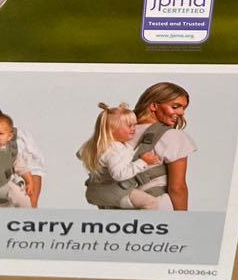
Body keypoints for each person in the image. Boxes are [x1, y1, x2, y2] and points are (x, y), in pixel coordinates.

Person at [77, 102, 162, 210]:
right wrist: (143, 161)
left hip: (95, 192)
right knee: (151, 203)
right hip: (115, 192)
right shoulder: (114, 149)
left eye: (134, 125)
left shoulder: (96, 145)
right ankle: (139, 222)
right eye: (129, 126)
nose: (133, 129)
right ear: (111, 129)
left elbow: (79, 154)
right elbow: (119, 174)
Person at [130, 82, 196, 211]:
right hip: (158, 207)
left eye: (184, 108)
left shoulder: (117, 133)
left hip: (121, 210)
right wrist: (182, 220)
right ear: (154, 106)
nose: (181, 112)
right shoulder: (171, 136)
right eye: (175, 106)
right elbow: (177, 189)